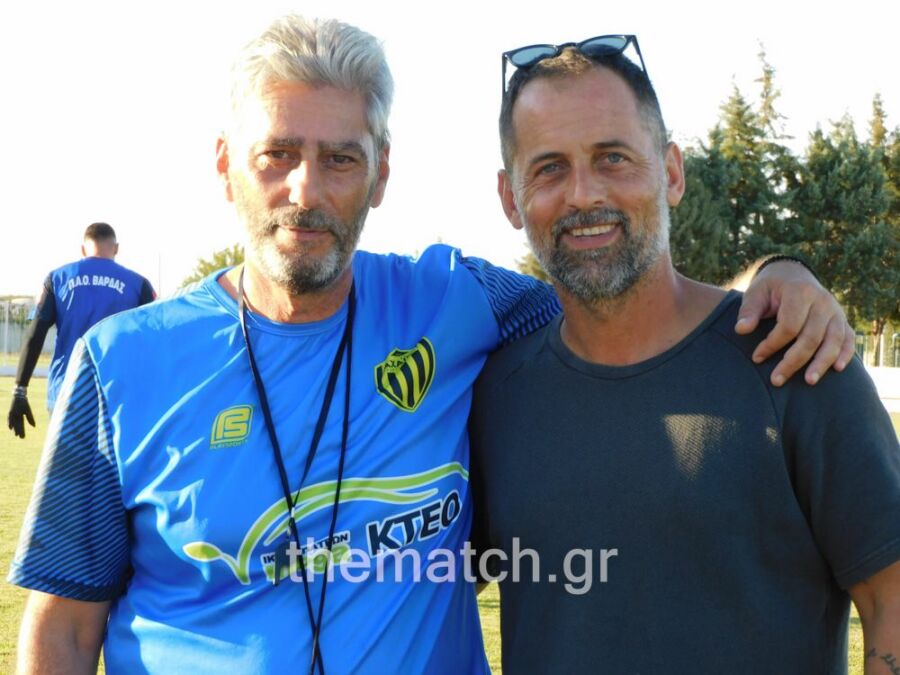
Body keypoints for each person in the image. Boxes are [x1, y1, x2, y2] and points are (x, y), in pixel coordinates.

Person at [9, 16, 855, 675]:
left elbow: (624, 302)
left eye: (340, 159)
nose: (305, 188)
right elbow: (64, 624)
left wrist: (773, 276)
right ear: (227, 164)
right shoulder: (120, 363)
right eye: (277, 154)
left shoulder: (459, 303)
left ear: (382, 173)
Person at [469, 35, 900, 673]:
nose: (583, 193)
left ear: (671, 172)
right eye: (550, 168)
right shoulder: (494, 396)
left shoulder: (795, 359)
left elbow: (891, 599)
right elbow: (423, 580)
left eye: (613, 158)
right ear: (511, 198)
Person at [6, 222, 155, 438]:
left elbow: (35, 334)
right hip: (117, 396)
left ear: (83, 249)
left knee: (68, 461)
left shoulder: (57, 279)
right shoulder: (139, 284)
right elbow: (154, 342)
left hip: (66, 393)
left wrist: (20, 390)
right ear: (116, 248)